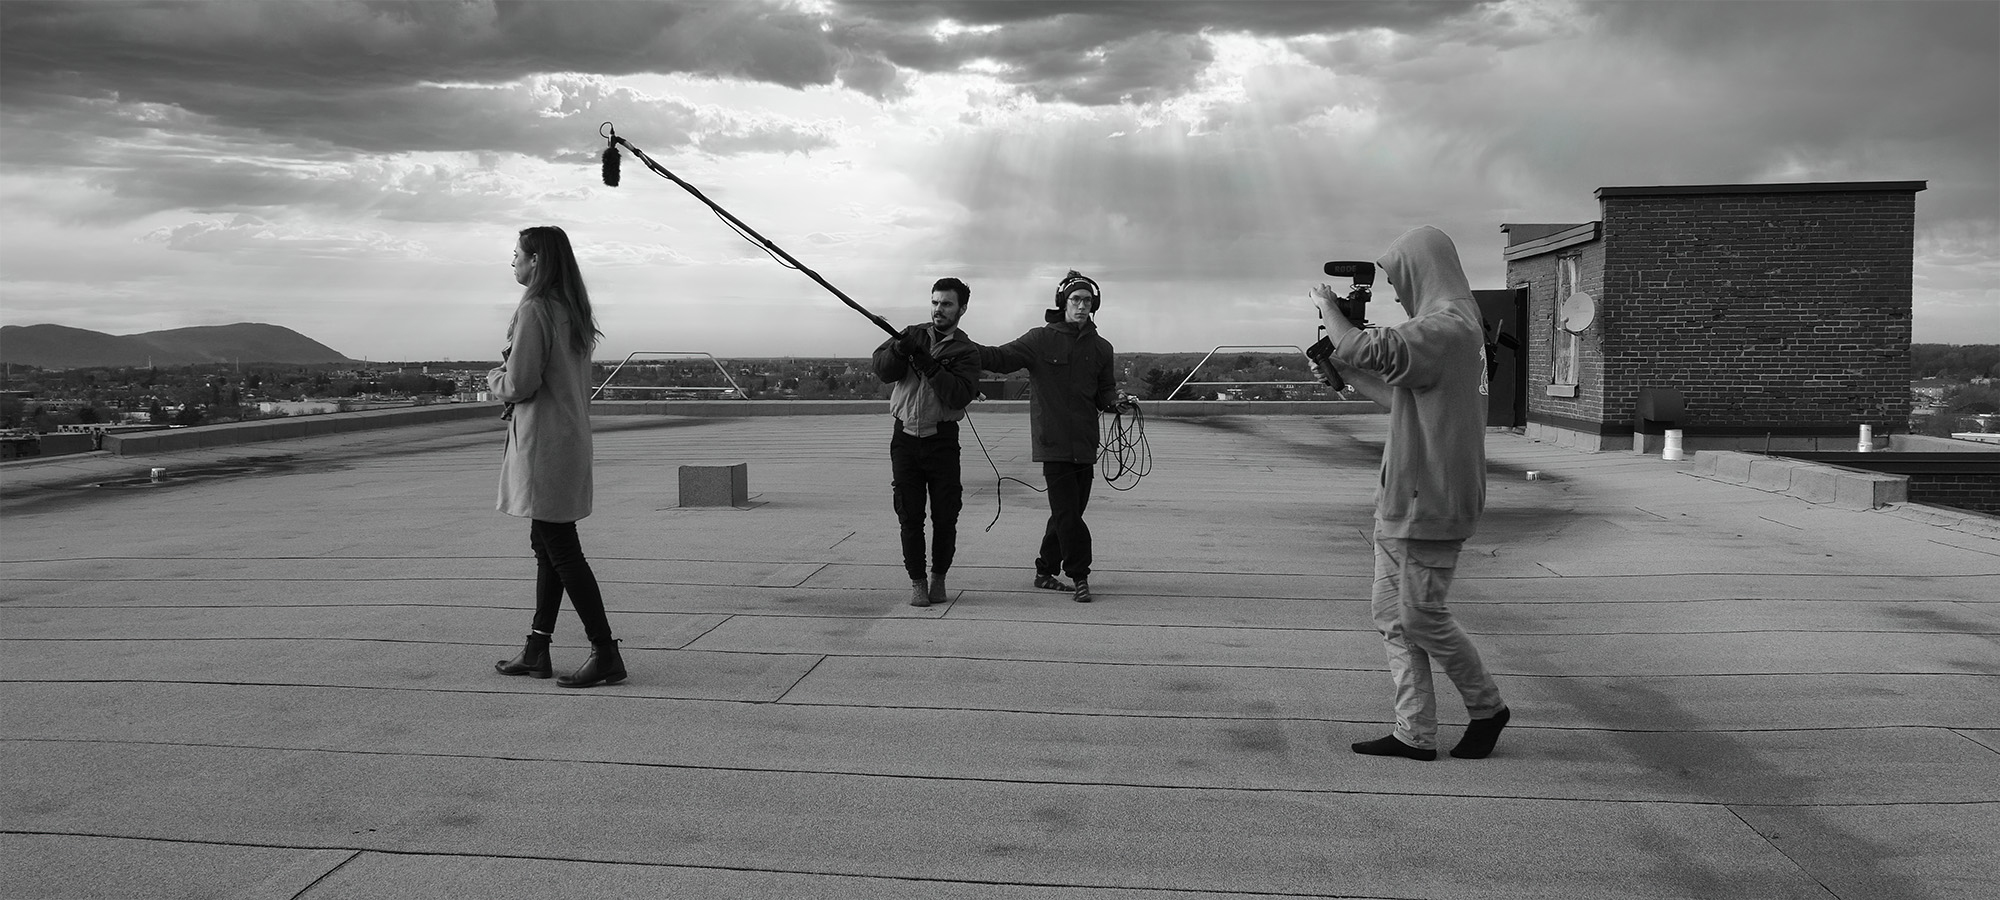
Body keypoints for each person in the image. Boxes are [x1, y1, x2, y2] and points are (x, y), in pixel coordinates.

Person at [1312, 225, 1510, 761]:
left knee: (1420, 617)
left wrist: (1329, 308)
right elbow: (1403, 394)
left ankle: (1487, 707)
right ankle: (1414, 732)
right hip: (1407, 497)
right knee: (1391, 614)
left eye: (1399, 281)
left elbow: (1358, 343)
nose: (1397, 294)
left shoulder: (1446, 328)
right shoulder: (1455, 328)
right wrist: (1345, 376)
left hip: (1433, 499)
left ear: (1422, 271)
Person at [488, 225, 626, 689]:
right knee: (547, 546)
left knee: (561, 550)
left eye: (517, 254)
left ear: (537, 262)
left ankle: (605, 651)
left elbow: (519, 383)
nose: (513, 262)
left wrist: (493, 378)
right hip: (567, 438)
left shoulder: (535, 309)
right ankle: (536, 648)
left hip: (543, 444)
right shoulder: (572, 310)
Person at [976, 270, 1130, 603]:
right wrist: (962, 348)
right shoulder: (1039, 340)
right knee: (1068, 514)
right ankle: (1080, 575)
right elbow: (998, 358)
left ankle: (1045, 570)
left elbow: (1104, 390)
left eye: (1088, 301)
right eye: (1076, 299)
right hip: (1054, 442)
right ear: (1063, 302)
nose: (1082, 306)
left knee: (1069, 511)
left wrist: (1116, 402)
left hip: (1086, 443)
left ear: (1095, 305)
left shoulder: (1102, 348)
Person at [871, 278, 982, 607]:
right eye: (935, 303)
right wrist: (898, 350)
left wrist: (929, 364)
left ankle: (939, 578)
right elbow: (882, 370)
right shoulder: (910, 334)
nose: (938, 309)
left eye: (947, 304)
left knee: (946, 515)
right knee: (909, 514)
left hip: (942, 440)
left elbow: (959, 394)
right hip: (904, 438)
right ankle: (917, 581)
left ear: (961, 309)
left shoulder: (966, 351)